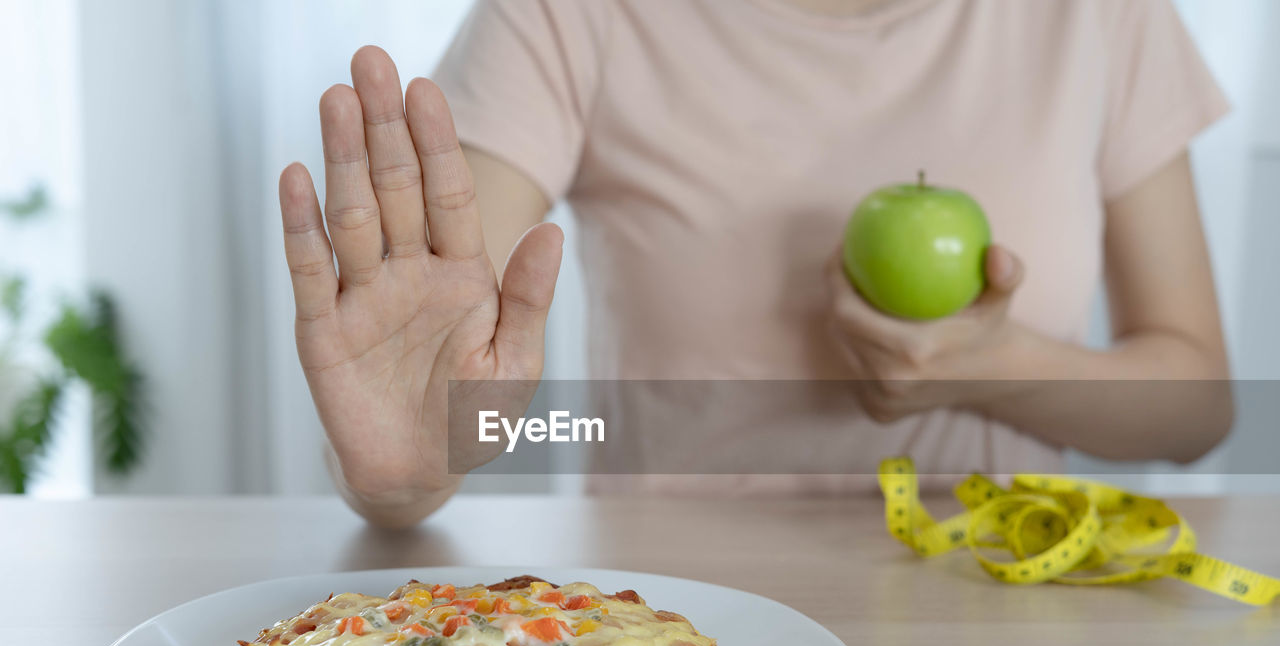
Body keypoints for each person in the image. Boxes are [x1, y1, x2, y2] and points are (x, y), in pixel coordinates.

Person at [278, 0, 1232, 528]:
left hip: (998, 633)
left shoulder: (1106, 15)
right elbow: (432, 363)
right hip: (665, 644)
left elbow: (1200, 404)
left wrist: (996, 367)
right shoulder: (567, 15)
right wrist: (409, 463)